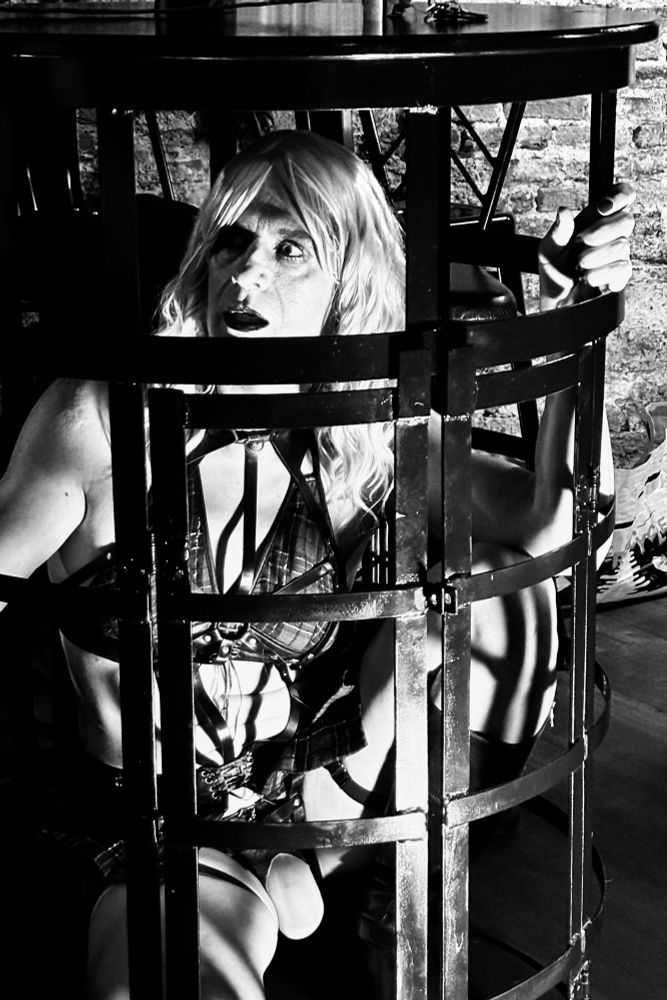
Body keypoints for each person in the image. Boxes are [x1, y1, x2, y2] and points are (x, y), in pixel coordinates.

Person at [0, 128, 634, 999]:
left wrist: (565, 331)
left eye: (290, 248)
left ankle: (385, 902)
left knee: (496, 590)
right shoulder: (104, 421)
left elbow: (553, 523)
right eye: (231, 242)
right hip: (161, 828)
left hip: (312, 799)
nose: (245, 276)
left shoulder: (365, 435)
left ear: (349, 278)